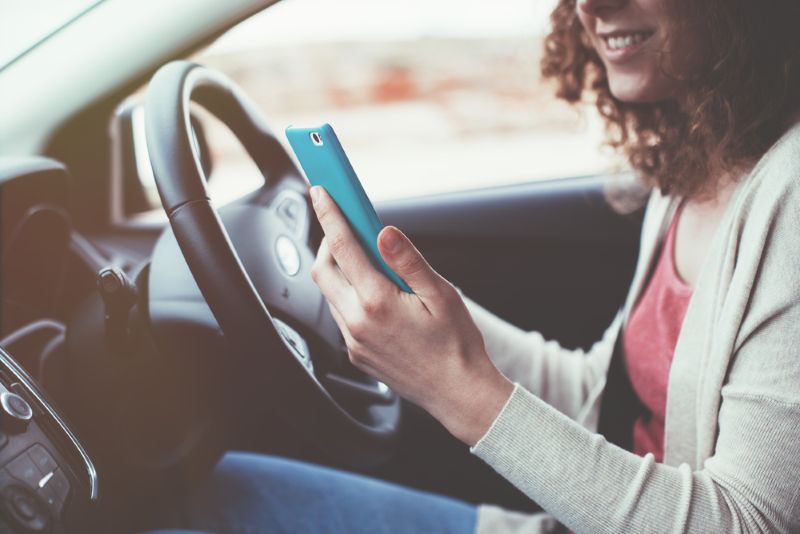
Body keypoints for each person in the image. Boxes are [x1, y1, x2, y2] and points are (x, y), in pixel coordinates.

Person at [169, 0, 800, 532]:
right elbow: (597, 395)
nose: (592, 5)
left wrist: (454, 386)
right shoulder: (699, 168)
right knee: (213, 490)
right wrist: (420, 316)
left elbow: (746, 522)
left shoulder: (789, 195)